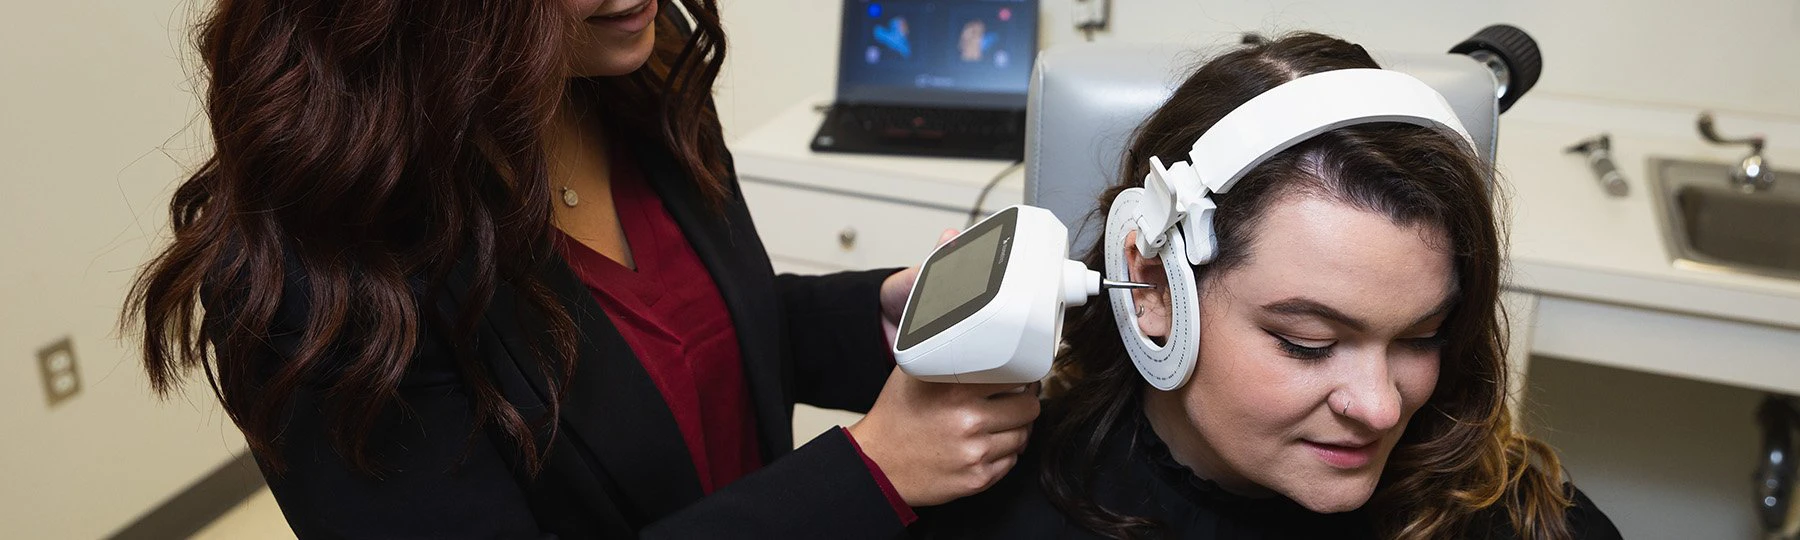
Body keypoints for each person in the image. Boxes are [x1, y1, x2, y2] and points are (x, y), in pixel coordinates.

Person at [124, 0, 1038, 537]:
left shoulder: (636, 89)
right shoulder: (318, 286)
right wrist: (868, 474)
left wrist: (886, 314)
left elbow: (688, 336)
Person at [910, 33, 1623, 539]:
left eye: (1421, 336)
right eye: (1307, 342)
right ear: (1153, 283)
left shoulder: (1518, 518)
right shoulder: (992, 511)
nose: (1378, 408)